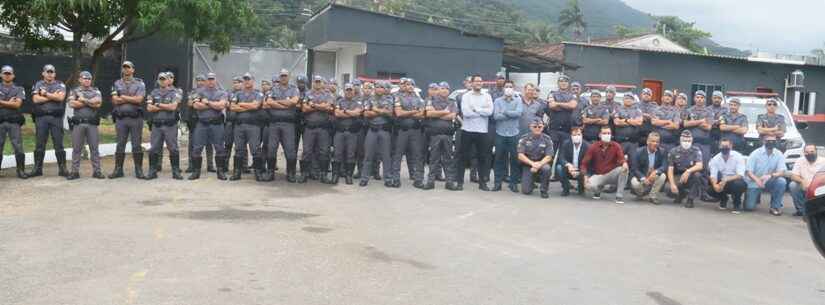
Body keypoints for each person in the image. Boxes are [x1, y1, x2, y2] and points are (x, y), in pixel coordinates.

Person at [109, 61, 146, 179]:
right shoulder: (117, 83)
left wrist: (123, 97)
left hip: (135, 118)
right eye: (124, 67)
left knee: (136, 145)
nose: (126, 70)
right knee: (120, 144)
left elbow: (139, 100)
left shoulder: (140, 83)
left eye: (128, 67)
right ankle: (118, 170)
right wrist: (131, 98)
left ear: (133, 70)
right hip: (121, 118)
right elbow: (114, 100)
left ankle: (138, 170)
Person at [188, 72, 229, 180]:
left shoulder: (222, 93)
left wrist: (207, 103)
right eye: (209, 79)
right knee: (197, 148)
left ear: (216, 80)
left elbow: (221, 106)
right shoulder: (199, 92)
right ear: (206, 81)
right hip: (202, 124)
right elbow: (196, 105)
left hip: (216, 124)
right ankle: (196, 172)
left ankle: (220, 172)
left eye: (212, 79)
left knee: (219, 148)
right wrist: (213, 105)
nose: (210, 81)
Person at [456, 75, 494, 191]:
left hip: (482, 131)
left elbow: (490, 112)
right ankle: (459, 183)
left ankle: (482, 183)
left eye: (480, 81)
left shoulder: (487, 96)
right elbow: (466, 113)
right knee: (462, 157)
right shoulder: (466, 96)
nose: (478, 83)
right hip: (467, 130)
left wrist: (476, 109)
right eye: (476, 81)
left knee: (482, 157)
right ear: (471, 83)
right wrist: (482, 111)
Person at [64, 71, 104, 180]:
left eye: (89, 78)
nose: (87, 80)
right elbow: (72, 104)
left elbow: (98, 103)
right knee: (76, 149)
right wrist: (90, 102)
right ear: (80, 79)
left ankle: (97, 171)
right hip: (78, 124)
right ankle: (74, 172)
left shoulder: (96, 90)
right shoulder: (74, 91)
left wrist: (83, 100)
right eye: (85, 78)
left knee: (94, 149)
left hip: (92, 124)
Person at [30, 64, 68, 177]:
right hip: (41, 118)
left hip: (56, 118)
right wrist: (52, 96)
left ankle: (62, 169)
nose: (50, 74)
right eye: (47, 72)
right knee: (39, 144)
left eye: (52, 72)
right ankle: (37, 169)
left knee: (58, 143)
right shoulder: (38, 84)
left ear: (55, 74)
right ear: (43, 73)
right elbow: (36, 99)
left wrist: (45, 94)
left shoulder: (60, 84)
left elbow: (60, 98)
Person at [144, 72, 183, 180]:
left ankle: (175, 171)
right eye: (160, 79)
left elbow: (173, 107)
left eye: (164, 79)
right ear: (158, 80)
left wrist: (158, 104)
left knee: (173, 148)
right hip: (157, 125)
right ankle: (152, 171)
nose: (162, 81)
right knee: (153, 149)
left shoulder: (175, 92)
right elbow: (149, 108)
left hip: (170, 124)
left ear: (168, 81)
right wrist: (164, 106)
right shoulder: (153, 92)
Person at [263, 69, 300, 182]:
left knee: (290, 149)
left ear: (289, 77)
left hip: (288, 124)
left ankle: (291, 173)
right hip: (274, 123)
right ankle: (270, 173)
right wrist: (285, 104)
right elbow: (269, 102)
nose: (283, 78)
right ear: (279, 77)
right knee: (272, 148)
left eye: (285, 76)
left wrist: (277, 102)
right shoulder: (273, 89)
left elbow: (294, 101)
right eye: (282, 76)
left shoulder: (294, 89)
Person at [423, 81, 459, 190]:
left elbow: (452, 115)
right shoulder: (431, 100)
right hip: (435, 134)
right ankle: (430, 182)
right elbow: (429, 113)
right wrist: (444, 112)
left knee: (448, 159)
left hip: (448, 135)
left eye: (446, 88)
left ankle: (449, 182)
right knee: (434, 158)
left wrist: (437, 114)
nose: (444, 90)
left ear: (449, 91)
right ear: (438, 90)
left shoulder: (452, 101)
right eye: (442, 88)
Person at [229, 73, 264, 181]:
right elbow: (232, 107)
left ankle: (258, 173)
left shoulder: (258, 94)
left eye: (248, 79)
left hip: (253, 126)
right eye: (245, 79)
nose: (246, 81)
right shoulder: (238, 94)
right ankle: (237, 173)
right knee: (239, 149)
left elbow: (256, 106)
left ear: (253, 80)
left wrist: (241, 104)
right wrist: (249, 106)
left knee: (255, 150)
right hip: (239, 126)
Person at [391, 78, 426, 188]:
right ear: (404, 86)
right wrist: (413, 111)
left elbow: (422, 115)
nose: (409, 86)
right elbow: (399, 113)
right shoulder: (398, 97)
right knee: (398, 155)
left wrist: (408, 112)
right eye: (407, 84)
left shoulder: (419, 99)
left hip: (415, 131)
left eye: (412, 84)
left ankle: (418, 179)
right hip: (403, 131)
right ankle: (396, 179)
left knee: (417, 156)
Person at [581, 126, 629, 204]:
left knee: (624, 169)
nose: (607, 135)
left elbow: (621, 159)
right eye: (604, 133)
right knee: (589, 186)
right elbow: (584, 163)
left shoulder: (616, 146)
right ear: (600, 135)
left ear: (611, 135)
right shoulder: (593, 146)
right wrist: (585, 176)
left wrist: (624, 163)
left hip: (611, 174)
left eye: (608, 133)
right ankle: (599, 189)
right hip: (598, 175)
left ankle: (619, 195)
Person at [359, 81, 394, 187]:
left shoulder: (389, 99)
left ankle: (388, 178)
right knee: (368, 155)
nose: (379, 89)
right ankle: (365, 178)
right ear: (375, 88)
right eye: (377, 87)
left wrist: (374, 110)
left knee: (386, 156)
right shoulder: (369, 99)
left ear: (384, 89)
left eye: (382, 87)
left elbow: (390, 113)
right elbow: (366, 113)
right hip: (372, 130)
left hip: (384, 130)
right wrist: (381, 111)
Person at [300, 75, 335, 184]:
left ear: (323, 83)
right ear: (313, 83)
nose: (318, 83)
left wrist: (313, 105)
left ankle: (323, 175)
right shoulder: (307, 94)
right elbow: (304, 109)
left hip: (323, 128)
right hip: (309, 128)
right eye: (316, 81)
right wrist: (321, 106)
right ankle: (304, 174)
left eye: (319, 81)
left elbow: (328, 107)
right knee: (306, 152)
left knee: (324, 152)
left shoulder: (328, 94)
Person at [492, 81, 523, 192]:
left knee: (514, 160)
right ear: (503, 89)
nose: (509, 88)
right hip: (500, 133)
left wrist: (504, 112)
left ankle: (513, 183)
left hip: (514, 134)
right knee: (498, 159)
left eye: (511, 87)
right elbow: (496, 116)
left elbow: (518, 113)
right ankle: (497, 183)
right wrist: (511, 113)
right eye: (507, 86)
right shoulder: (497, 101)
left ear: (513, 88)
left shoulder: (518, 100)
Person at [745, 135, 788, 215]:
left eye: (773, 141)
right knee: (749, 207)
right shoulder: (755, 154)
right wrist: (757, 180)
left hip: (769, 180)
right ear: (764, 142)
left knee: (781, 182)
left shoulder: (779, 154)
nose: (771, 143)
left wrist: (771, 175)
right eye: (768, 141)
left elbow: (782, 171)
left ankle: (775, 206)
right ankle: (753, 197)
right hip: (754, 181)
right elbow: (748, 171)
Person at [332, 83, 364, 185]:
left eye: (351, 90)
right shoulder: (339, 101)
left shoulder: (358, 102)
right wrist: (350, 112)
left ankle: (348, 175)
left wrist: (344, 111)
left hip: (352, 132)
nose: (349, 92)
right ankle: (335, 175)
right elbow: (337, 113)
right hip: (340, 131)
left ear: (354, 92)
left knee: (351, 154)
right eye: (347, 90)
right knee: (337, 153)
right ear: (344, 91)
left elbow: (357, 113)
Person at [0, 65, 28, 179]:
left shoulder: (19, 89)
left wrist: (1, 102)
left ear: (13, 75)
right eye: (5, 73)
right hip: (0, 121)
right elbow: (13, 104)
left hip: (14, 122)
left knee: (18, 146)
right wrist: (9, 102)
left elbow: (17, 104)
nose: (7, 75)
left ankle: (20, 170)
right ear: (1, 75)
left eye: (9, 73)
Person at [184, 75, 215, 174]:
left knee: (209, 143)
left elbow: (212, 104)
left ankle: (210, 165)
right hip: (194, 120)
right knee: (192, 144)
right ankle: (191, 165)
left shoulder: (209, 91)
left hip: (207, 119)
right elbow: (189, 103)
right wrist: (204, 103)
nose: (200, 82)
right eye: (198, 80)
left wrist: (199, 102)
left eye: (202, 80)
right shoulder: (193, 91)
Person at [708, 138, 747, 213]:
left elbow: (740, 175)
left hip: (735, 181)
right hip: (723, 183)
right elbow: (713, 175)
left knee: (738, 185)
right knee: (710, 190)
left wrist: (726, 179)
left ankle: (736, 204)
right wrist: (715, 185)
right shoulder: (715, 159)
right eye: (722, 146)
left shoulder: (738, 156)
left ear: (731, 146)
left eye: (727, 146)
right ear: (719, 147)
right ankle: (724, 199)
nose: (724, 148)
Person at [517, 118, 554, 198]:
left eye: (540, 127)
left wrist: (539, 165)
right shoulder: (524, 138)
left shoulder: (547, 139)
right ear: (530, 127)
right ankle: (531, 180)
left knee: (547, 169)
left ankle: (544, 190)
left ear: (543, 127)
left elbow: (549, 157)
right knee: (526, 191)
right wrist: (533, 164)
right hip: (528, 164)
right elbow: (520, 155)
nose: (537, 128)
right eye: (535, 126)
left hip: (542, 163)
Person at [667, 130, 704, 208]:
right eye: (684, 140)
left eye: (688, 140)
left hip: (690, 175)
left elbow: (700, 165)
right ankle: (681, 195)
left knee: (698, 175)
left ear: (692, 140)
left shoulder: (696, 150)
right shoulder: (673, 151)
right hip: (678, 175)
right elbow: (670, 169)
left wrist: (688, 171)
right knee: (668, 190)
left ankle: (690, 199)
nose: (686, 142)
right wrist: (672, 184)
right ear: (680, 140)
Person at [630, 132, 668, 204]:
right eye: (653, 141)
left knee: (662, 176)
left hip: (653, 176)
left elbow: (664, 166)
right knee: (634, 183)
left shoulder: (662, 152)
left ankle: (652, 196)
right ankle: (640, 194)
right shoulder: (638, 151)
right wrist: (643, 178)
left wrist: (656, 172)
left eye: (657, 142)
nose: (655, 143)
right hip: (642, 176)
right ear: (647, 141)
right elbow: (634, 169)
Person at [789, 145, 825, 216]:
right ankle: (801, 210)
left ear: (816, 151)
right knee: (793, 185)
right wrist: (802, 181)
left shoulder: (823, 161)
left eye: (812, 151)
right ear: (804, 153)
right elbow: (793, 176)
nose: (809, 154)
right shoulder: (799, 160)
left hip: (819, 186)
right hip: (804, 185)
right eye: (807, 152)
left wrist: (816, 184)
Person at [545, 75, 577, 150]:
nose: (563, 83)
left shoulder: (572, 95)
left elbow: (572, 105)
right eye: (561, 81)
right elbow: (552, 106)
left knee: (565, 151)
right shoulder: (552, 93)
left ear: (568, 84)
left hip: (567, 129)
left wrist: (558, 103)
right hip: (554, 129)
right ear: (558, 83)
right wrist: (567, 105)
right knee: (552, 151)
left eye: (565, 81)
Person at [556, 127, 589, 196]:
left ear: (582, 135)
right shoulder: (566, 144)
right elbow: (561, 157)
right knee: (559, 168)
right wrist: (568, 165)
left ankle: (581, 188)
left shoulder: (587, 146)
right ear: (571, 136)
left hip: (581, 170)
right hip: (569, 169)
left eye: (578, 134)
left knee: (586, 170)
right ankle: (566, 188)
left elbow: (588, 162)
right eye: (574, 135)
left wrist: (580, 170)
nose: (576, 137)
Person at [613, 93, 643, 161]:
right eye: (626, 98)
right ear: (623, 100)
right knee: (618, 161)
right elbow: (616, 122)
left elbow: (639, 122)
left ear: (633, 100)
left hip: (633, 142)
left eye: (630, 99)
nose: (628, 100)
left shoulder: (637, 110)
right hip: (620, 142)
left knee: (633, 162)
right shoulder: (618, 109)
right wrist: (631, 121)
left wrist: (625, 120)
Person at [223, 76, 243, 175]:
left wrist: (234, 105)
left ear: (242, 83)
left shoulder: (244, 93)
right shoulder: (228, 93)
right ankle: (224, 166)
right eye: (235, 82)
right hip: (229, 122)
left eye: (238, 82)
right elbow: (226, 104)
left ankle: (243, 166)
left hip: (240, 122)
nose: (236, 84)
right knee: (227, 144)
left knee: (241, 145)